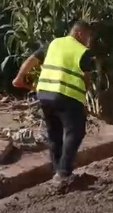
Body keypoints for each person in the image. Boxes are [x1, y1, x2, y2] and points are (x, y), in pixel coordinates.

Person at [12, 21, 95, 185]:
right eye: (88, 36)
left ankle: (57, 170)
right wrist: (83, 100)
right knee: (75, 132)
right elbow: (86, 81)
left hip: (44, 95)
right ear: (79, 33)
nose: (88, 41)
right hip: (68, 96)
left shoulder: (53, 44)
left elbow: (31, 59)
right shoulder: (83, 51)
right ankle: (63, 173)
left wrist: (19, 78)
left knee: (54, 133)